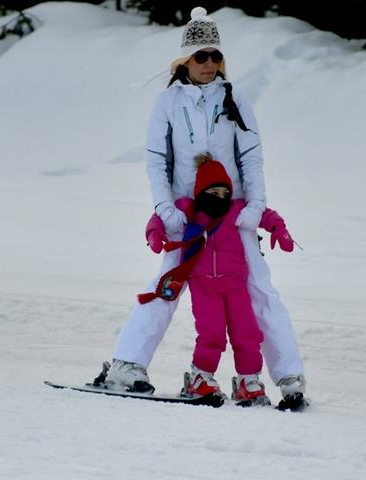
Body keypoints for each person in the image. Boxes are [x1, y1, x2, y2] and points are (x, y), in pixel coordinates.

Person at [103, 6, 307, 408]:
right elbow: (155, 160)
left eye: (216, 56)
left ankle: (288, 375)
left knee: (260, 292)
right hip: (185, 216)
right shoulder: (167, 102)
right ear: (185, 59)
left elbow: (251, 156)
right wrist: (164, 209)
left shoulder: (236, 98)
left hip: (233, 215)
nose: (209, 64)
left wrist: (257, 206)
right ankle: (127, 364)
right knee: (165, 288)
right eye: (201, 56)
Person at [139, 153, 295, 406]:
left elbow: (265, 214)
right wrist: (154, 234)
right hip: (204, 285)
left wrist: (280, 228)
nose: (220, 198)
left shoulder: (235, 210)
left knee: (247, 332)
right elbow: (158, 218)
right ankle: (200, 377)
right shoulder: (188, 209)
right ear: (201, 192)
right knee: (211, 333)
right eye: (214, 193)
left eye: (225, 193)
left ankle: (248, 380)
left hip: (235, 285)